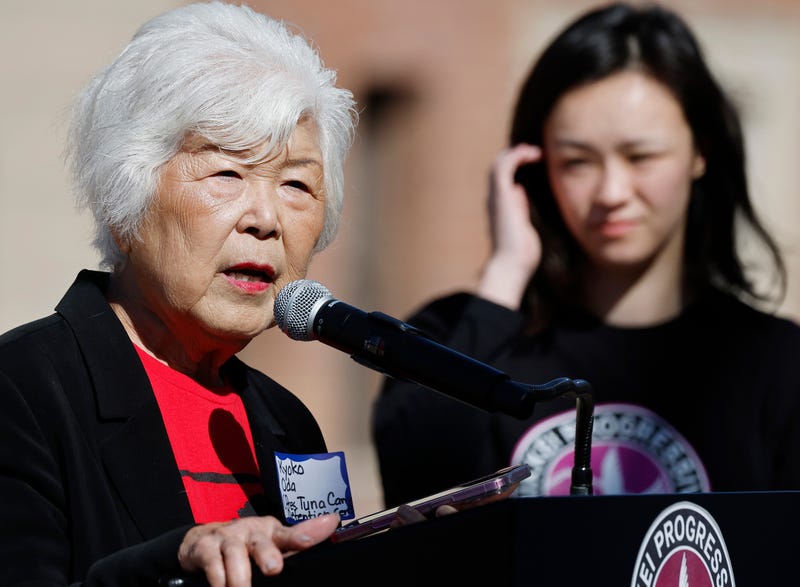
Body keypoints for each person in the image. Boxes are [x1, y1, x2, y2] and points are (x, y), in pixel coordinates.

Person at [372, 1, 800, 508]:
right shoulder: (456, 334)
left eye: (641, 156)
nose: (611, 191)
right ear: (533, 167)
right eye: (578, 162)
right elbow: (410, 488)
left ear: (700, 151)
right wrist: (506, 272)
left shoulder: (776, 363)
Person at [0, 2, 360, 585]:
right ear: (127, 201)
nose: (266, 218)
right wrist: (172, 563)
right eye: (226, 173)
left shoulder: (290, 423)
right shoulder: (23, 390)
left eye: (297, 183)